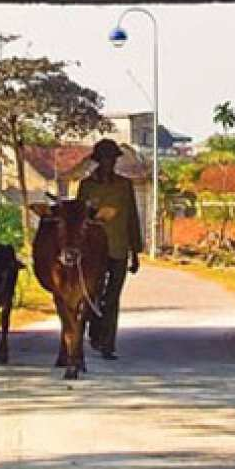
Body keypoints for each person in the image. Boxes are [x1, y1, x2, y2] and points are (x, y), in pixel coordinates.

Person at [76, 138, 143, 360]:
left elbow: (132, 218)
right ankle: (95, 332)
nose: (109, 163)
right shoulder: (86, 186)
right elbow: (78, 219)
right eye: (105, 159)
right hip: (92, 251)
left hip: (117, 248)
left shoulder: (124, 185)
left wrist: (136, 252)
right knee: (93, 294)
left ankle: (108, 344)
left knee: (112, 297)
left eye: (112, 159)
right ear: (98, 160)